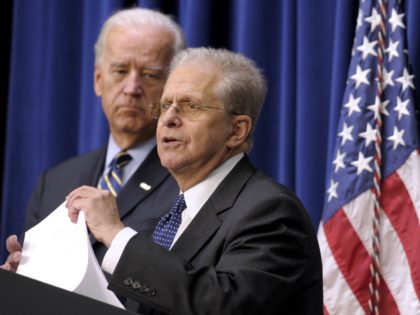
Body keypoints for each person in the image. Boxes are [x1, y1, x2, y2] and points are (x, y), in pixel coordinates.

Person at [65, 47, 323, 314]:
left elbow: (224, 306)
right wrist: (37, 277)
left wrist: (115, 234)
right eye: (165, 105)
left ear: (237, 130)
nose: (169, 119)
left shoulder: (271, 212)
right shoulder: (176, 213)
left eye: (191, 106)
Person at [1, 7, 186, 271]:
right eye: (120, 71)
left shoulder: (187, 183)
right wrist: (21, 280)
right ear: (98, 79)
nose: (132, 88)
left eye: (150, 75)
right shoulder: (53, 182)